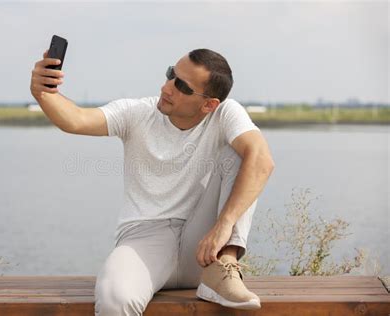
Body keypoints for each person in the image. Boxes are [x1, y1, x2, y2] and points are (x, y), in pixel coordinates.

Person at [30, 48, 275, 315]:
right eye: (171, 74)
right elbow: (76, 120)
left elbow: (262, 160)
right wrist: (43, 92)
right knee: (115, 300)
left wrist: (224, 225)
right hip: (145, 239)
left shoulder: (226, 113)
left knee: (246, 152)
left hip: (207, 245)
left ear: (209, 104)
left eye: (181, 85)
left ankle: (225, 269)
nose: (167, 87)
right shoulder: (139, 113)